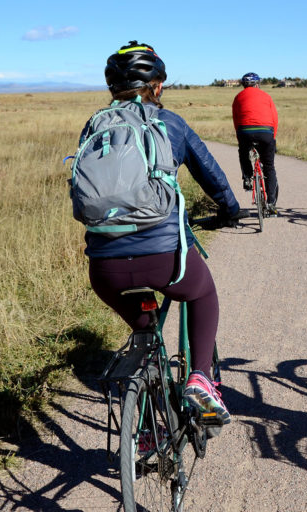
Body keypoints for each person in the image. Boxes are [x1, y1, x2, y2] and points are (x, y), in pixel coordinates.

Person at [83, 41, 240, 423]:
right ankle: (201, 379)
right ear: (156, 87)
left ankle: (152, 424)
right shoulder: (171, 123)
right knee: (202, 292)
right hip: (166, 260)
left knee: (145, 332)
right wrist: (230, 210)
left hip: (105, 269)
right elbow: (211, 175)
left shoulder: (96, 126)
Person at [232, 72, 280, 215]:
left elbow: (236, 119)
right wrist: (272, 138)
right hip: (266, 133)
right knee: (269, 167)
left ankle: (247, 177)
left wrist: (240, 137)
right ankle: (271, 204)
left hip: (244, 131)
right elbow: (274, 119)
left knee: (243, 152)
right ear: (257, 84)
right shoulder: (266, 96)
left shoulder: (238, 97)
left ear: (243, 85)